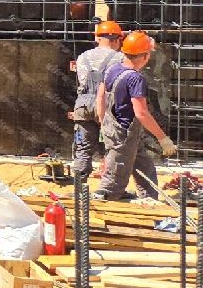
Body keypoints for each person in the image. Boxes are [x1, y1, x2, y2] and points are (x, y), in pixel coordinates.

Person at [94, 30, 176, 204]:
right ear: (145, 56)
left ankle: (149, 200)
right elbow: (141, 113)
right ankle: (98, 209)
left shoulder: (112, 69)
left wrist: (103, 124)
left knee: (144, 166)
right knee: (114, 181)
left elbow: (100, 98)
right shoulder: (135, 78)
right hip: (124, 134)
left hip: (114, 129)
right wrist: (162, 138)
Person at [69, 19, 124, 181]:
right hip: (107, 105)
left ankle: (80, 186)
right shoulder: (120, 58)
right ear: (116, 39)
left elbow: (82, 82)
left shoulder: (82, 57)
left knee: (83, 149)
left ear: (97, 39)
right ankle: (110, 187)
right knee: (113, 147)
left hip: (83, 105)